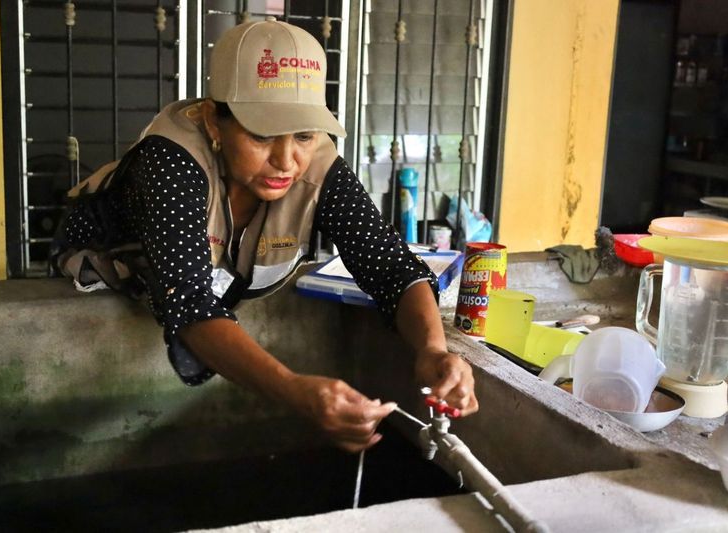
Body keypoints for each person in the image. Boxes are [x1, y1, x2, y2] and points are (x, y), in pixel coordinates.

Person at [52, 17, 478, 453]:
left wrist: (433, 350)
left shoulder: (316, 164)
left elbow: (391, 266)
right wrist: (295, 390)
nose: (287, 161)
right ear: (213, 122)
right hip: (104, 265)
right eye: (260, 134)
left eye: (305, 135)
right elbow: (190, 301)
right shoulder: (169, 163)